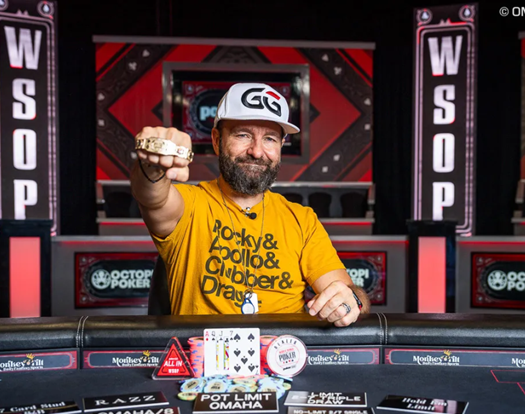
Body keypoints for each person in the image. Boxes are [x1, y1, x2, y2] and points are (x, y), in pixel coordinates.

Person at [130, 83, 370, 326]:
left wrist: (350, 301)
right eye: (243, 135)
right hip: (201, 349)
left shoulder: (302, 220)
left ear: (280, 146)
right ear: (217, 140)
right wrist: (152, 166)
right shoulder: (189, 205)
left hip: (282, 348)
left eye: (269, 138)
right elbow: (153, 197)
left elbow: (349, 294)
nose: (256, 151)